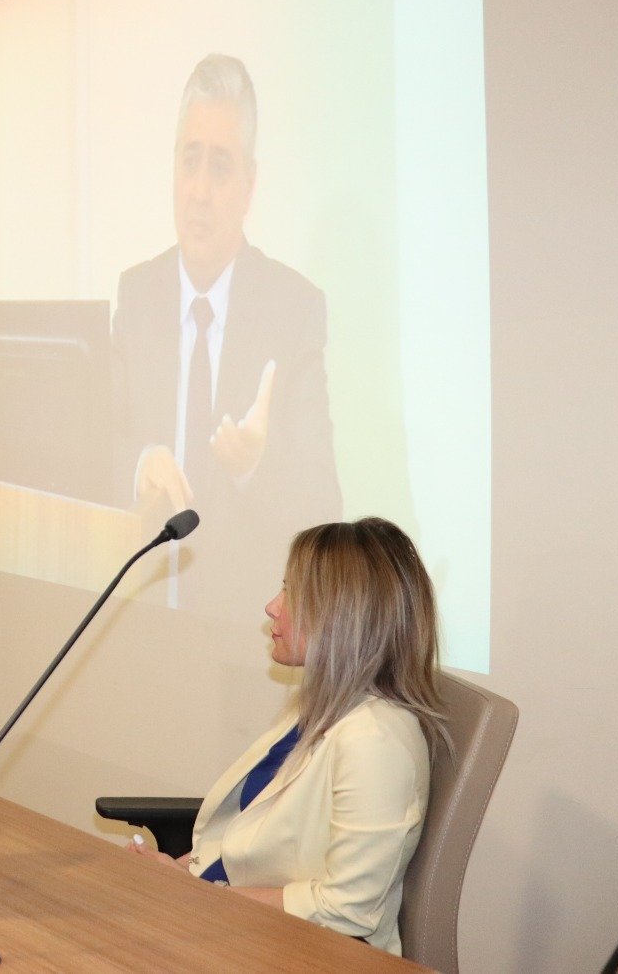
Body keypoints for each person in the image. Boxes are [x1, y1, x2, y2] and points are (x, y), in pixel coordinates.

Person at [130, 517, 449, 955]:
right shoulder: (321, 705)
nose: (272, 607)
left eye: (292, 593)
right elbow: (246, 837)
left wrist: (199, 897)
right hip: (239, 927)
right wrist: (176, 874)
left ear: (342, 616)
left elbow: (347, 911)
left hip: (299, 952)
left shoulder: (376, 741)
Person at [111, 53, 341, 610]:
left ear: (249, 185)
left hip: (243, 635)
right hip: (138, 620)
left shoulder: (293, 310)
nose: (199, 190)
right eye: (189, 161)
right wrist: (140, 463)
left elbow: (325, 512)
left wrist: (255, 467)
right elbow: (100, 440)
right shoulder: (137, 295)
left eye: (220, 167)